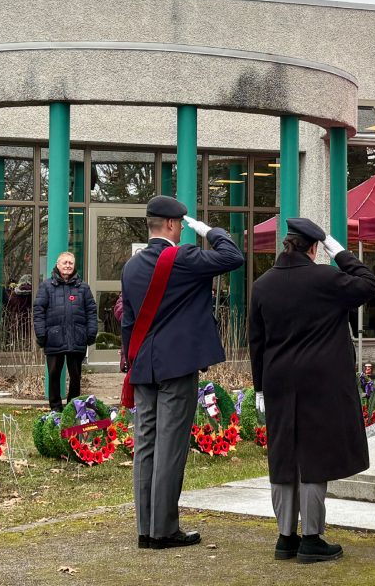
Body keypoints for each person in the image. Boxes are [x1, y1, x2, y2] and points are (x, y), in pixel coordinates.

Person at [248, 217, 375, 564]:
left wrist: (259, 388)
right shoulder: (326, 278)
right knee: (313, 457)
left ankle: (285, 537)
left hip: (277, 380)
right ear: (314, 248)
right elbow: (369, 284)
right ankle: (311, 538)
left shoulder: (262, 285)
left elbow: (256, 342)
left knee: (283, 456)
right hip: (320, 381)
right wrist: (339, 251)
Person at [121, 195, 243, 550]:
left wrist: (130, 362)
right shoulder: (184, 258)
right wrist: (210, 231)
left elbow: (128, 321)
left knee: (145, 445)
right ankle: (163, 530)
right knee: (170, 447)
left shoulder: (131, 267)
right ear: (173, 224)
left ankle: (145, 529)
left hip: (143, 366)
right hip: (176, 366)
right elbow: (233, 257)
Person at [33, 252, 97, 413]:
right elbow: (38, 311)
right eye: (65, 262)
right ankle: (55, 408)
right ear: (58, 264)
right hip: (53, 338)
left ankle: (72, 408)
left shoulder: (83, 287)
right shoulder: (46, 286)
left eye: (71, 263)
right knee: (54, 374)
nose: (68, 265)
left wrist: (91, 333)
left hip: (77, 337)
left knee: (76, 375)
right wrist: (41, 334)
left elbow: (91, 311)